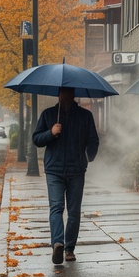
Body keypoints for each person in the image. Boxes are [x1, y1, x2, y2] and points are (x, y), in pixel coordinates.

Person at [32, 87, 100, 265]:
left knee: (74, 211)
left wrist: (87, 158)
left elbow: (93, 140)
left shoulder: (85, 116)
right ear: (59, 94)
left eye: (68, 93)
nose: (65, 96)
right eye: (63, 93)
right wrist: (51, 133)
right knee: (56, 207)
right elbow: (37, 139)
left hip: (76, 170)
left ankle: (69, 248)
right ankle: (58, 243)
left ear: (73, 94)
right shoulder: (49, 115)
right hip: (54, 169)